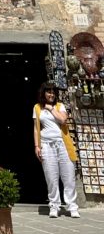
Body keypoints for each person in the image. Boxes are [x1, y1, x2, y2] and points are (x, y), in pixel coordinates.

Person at [33, 82, 79, 218]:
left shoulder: (60, 106)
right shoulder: (37, 108)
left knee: (68, 175)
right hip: (46, 145)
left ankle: (72, 206)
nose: (51, 94)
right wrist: (37, 146)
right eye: (48, 92)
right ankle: (54, 205)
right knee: (51, 176)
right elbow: (36, 128)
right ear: (43, 93)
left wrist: (51, 109)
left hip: (62, 144)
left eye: (53, 92)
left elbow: (63, 120)